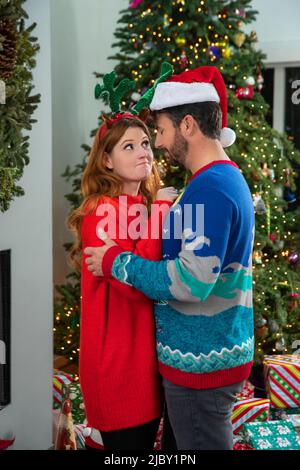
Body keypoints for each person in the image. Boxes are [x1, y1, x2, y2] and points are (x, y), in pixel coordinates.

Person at [84, 65, 255, 450]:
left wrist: (116, 261)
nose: (157, 144)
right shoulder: (214, 183)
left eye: (158, 132)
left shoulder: (206, 191)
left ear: (188, 125)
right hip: (202, 360)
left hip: (202, 366)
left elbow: (189, 282)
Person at [68, 111, 178, 450]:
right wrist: (160, 211)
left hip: (145, 364)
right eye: (128, 147)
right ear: (107, 160)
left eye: (145, 143)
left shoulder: (140, 207)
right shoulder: (100, 211)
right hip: (117, 368)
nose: (143, 152)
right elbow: (135, 285)